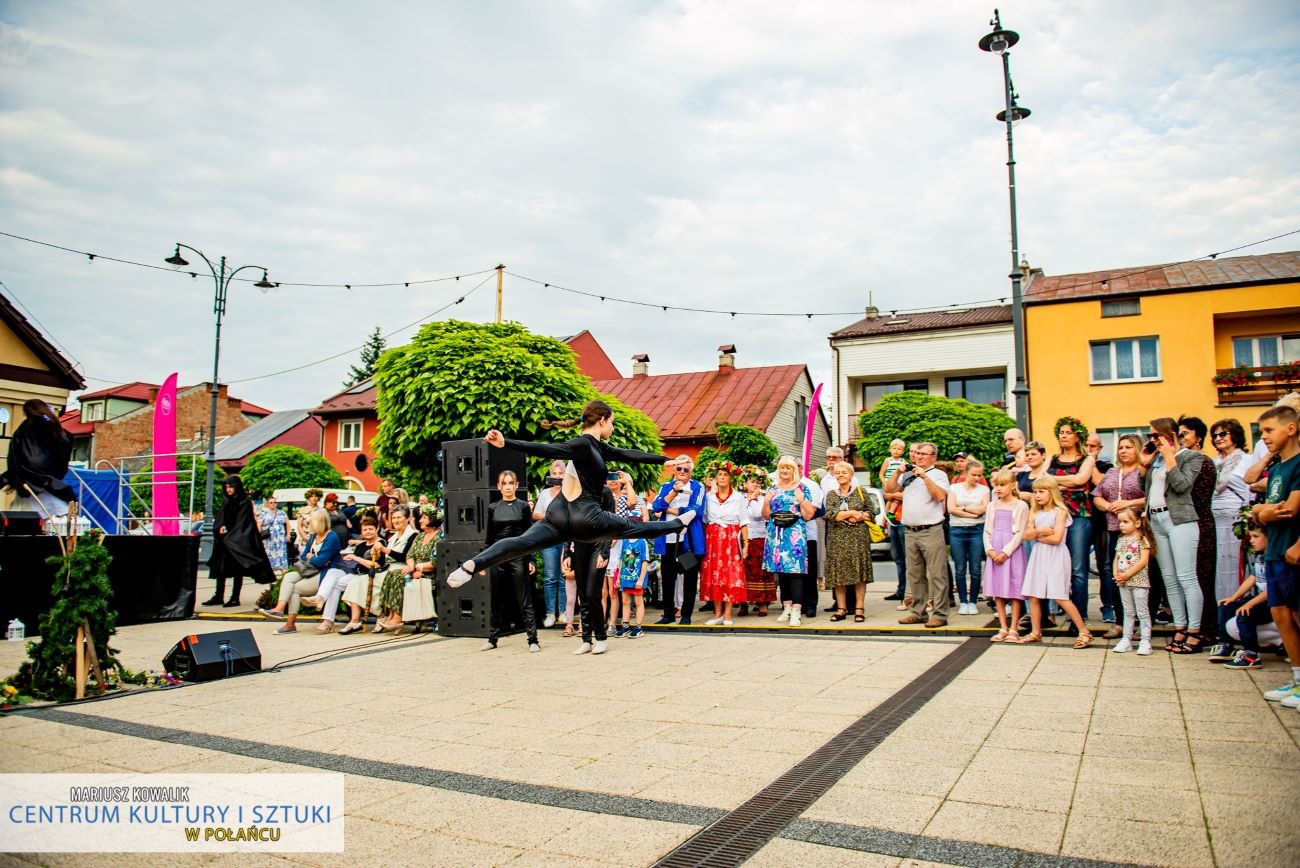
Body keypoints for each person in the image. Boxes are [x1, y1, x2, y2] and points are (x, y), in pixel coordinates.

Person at [443, 401, 693, 658]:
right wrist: (506, 443)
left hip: (559, 516)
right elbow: (546, 449)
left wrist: (667, 460)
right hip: (586, 516)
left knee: (521, 543)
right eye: (612, 422)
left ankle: (470, 566)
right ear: (602, 420)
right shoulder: (583, 444)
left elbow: (630, 454)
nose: (613, 427)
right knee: (633, 527)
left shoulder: (598, 447)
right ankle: (678, 524)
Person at [1140, 416, 1210, 653]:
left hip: (1179, 520)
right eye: (1150, 436)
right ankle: (1180, 627)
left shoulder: (1191, 457)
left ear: (1170, 435)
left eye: (1156, 435)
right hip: (1156, 520)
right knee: (1169, 579)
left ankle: (1194, 630)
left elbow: (1182, 486)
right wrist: (1145, 465)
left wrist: (1170, 457)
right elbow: (1146, 490)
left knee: (1186, 577)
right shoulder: (1157, 460)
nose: (1152, 440)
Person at [1252, 404, 1300, 708]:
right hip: (1274, 550)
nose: (1264, 437)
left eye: (1269, 430)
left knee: (1296, 614)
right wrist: (1262, 512)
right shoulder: (1277, 468)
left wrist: (1264, 512)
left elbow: (1290, 509)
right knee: (1281, 615)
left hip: (1292, 550)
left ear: (1291, 429)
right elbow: (1262, 511)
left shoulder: (1298, 465)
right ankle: (1297, 679)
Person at [1019, 477, 1092, 647]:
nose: (1037, 495)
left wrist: (1036, 536)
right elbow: (1026, 535)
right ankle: (1036, 632)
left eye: (1041, 491)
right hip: (1039, 555)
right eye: (1035, 492)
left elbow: (1057, 538)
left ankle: (1083, 631)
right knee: (1033, 595)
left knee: (1060, 596)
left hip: (1056, 556)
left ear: (1051, 493)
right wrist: (1041, 531)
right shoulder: (1034, 512)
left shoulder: (1060, 512)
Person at [886, 441, 951, 628]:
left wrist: (924, 477)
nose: (919, 456)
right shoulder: (908, 474)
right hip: (910, 530)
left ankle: (940, 614)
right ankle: (918, 612)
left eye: (924, 454)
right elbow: (890, 490)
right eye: (917, 453)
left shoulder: (938, 475)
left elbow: (940, 496)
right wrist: (897, 473)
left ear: (933, 457)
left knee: (937, 574)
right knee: (914, 574)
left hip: (931, 529)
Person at [1092, 434, 1147, 639]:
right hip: (1116, 529)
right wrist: (1108, 506)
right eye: (1121, 447)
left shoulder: (1143, 472)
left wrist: (1128, 504)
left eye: (1128, 447)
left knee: (1140, 575)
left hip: (1139, 531)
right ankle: (1120, 622)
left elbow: (1153, 496)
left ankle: (1143, 622)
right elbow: (1097, 496)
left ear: (1138, 449)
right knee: (1116, 573)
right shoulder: (1112, 472)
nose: (1123, 451)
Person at [258, 509, 346, 634]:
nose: (309, 525)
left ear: (319, 522)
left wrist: (313, 557)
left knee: (295, 589)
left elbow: (321, 561)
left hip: (325, 573)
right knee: (288, 577)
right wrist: (314, 558)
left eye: (311, 522)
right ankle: (279, 608)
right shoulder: (314, 536)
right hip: (309, 569)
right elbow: (304, 556)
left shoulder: (331, 537)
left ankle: (290, 624)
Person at [481, 469, 540, 653]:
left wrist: (531, 559)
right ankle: (492, 639)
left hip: (518, 555)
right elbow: (489, 538)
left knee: (524, 599)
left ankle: (533, 640)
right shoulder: (493, 508)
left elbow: (530, 535)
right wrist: (483, 561)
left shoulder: (523, 506)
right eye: (504, 483)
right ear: (499, 486)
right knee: (495, 599)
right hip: (497, 556)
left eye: (510, 483)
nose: (507, 487)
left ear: (516, 485)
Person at [1047, 418, 1098, 625]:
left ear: (1077, 436)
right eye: (1061, 432)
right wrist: (1069, 483)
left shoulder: (1086, 459)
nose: (1064, 436)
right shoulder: (1052, 458)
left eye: (1068, 432)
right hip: (1053, 517)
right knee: (1053, 565)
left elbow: (1080, 480)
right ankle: (1052, 611)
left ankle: (1079, 615)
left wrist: (1054, 482)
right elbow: (1041, 481)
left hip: (1078, 517)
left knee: (1078, 568)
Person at [652, 456, 707, 626]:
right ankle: (668, 614)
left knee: (689, 576)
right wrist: (673, 493)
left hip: (688, 540)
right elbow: (656, 507)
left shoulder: (697, 486)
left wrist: (669, 509)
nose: (682, 472)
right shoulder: (666, 486)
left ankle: (686, 615)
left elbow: (696, 509)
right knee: (668, 576)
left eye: (686, 469)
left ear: (691, 472)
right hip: (668, 539)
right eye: (679, 469)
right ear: (674, 470)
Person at [763, 456, 818, 626]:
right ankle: (786, 607)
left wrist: (801, 500)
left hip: (794, 534)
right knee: (781, 572)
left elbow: (809, 515)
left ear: (794, 470)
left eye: (788, 468)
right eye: (782, 467)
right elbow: (765, 515)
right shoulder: (772, 488)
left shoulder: (802, 488)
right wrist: (766, 500)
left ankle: (796, 610)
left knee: (795, 571)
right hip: (776, 533)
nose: (785, 470)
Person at [204, 475, 275, 607]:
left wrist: (231, 534)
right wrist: (220, 526)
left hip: (238, 542)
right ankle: (218, 596)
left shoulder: (244, 501)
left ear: (237, 487)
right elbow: (221, 517)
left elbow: (243, 523)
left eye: (231, 487)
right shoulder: (227, 501)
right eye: (226, 487)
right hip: (225, 541)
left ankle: (234, 598)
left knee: (238, 570)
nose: (228, 489)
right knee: (221, 569)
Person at [1210, 523, 1273, 668]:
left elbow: (1273, 589)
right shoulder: (1260, 556)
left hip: (1272, 601)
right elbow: (1253, 578)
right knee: (1226, 606)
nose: (1251, 541)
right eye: (1251, 536)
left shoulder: (1274, 558)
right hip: (1260, 598)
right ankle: (1225, 644)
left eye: (1256, 536)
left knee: (1246, 613)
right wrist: (1234, 597)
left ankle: (1251, 654)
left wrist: (1249, 604)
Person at [0, 399, 73, 517]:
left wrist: (12, 477)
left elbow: (16, 457)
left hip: (29, 483)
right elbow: (63, 456)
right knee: (54, 512)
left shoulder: (25, 430)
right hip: (48, 483)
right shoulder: (55, 428)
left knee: (26, 514)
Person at [823, 461, 874, 623]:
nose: (841, 475)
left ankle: (859, 608)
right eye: (838, 473)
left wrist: (860, 516)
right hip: (837, 539)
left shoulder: (861, 492)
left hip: (858, 538)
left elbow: (871, 513)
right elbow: (832, 514)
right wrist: (852, 513)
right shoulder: (831, 494)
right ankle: (841, 609)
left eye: (844, 472)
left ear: (851, 475)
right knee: (838, 574)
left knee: (859, 573)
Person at [701, 462, 748, 626]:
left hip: (731, 538)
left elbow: (744, 521)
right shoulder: (708, 497)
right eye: (719, 474)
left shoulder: (738, 497)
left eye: (725, 475)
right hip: (713, 539)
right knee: (714, 574)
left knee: (730, 575)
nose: (722, 477)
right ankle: (717, 613)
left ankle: (728, 613)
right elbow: (704, 520)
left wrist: (746, 544)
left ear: (731, 478)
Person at [983, 469, 1028, 642]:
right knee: (998, 589)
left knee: (1014, 588)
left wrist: (1006, 552)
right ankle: (1002, 627)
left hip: (1011, 550)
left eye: (1002, 485)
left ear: (1012, 486)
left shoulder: (1020, 505)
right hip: (995, 547)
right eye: (996, 485)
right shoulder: (992, 505)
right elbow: (987, 530)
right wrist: (990, 549)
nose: (998, 489)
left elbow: (1020, 532)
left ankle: (1013, 628)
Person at [1209, 419, 1251, 601]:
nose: (1218, 438)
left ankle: (1240, 601)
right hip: (1216, 518)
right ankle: (1223, 605)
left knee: (1237, 562)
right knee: (1220, 563)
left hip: (1237, 518)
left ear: (1235, 435)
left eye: (1223, 434)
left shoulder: (1247, 459)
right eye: (1215, 435)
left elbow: (1250, 489)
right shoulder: (1213, 463)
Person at [382, 508, 440, 633]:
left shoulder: (439, 537)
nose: (420, 521)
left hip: (429, 573)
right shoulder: (420, 536)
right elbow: (409, 555)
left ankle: (398, 617)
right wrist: (412, 569)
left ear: (433, 519)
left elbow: (434, 562)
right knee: (393, 574)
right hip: (415, 570)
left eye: (424, 518)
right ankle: (391, 614)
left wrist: (418, 568)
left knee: (400, 578)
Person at [1110, 507, 1154, 655]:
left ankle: (1145, 640)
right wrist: (1116, 573)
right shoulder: (1121, 540)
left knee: (1142, 612)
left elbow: (1143, 560)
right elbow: (1117, 558)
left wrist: (1127, 574)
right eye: (1120, 522)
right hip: (1123, 582)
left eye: (1125, 522)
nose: (1121, 525)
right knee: (1128, 611)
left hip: (1139, 582)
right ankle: (1126, 639)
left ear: (1137, 523)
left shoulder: (1142, 539)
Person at [948, 458, 989, 615]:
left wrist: (963, 508)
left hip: (976, 529)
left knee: (976, 568)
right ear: (966, 473)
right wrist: (972, 511)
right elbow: (951, 509)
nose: (977, 478)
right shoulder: (954, 488)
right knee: (960, 568)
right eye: (974, 475)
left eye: (979, 475)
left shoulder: (984, 490)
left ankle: (973, 601)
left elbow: (983, 509)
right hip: (957, 529)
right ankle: (963, 601)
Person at [1083, 434, 1116, 622]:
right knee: (1078, 567)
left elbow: (1101, 484)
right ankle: (1079, 608)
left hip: (1101, 522)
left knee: (1105, 565)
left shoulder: (1106, 467)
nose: (1089, 449)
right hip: (1080, 520)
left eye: (1093, 446)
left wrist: (1091, 462)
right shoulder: (1076, 465)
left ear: (1100, 448)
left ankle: (1108, 607)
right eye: (1086, 445)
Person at [338, 515, 388, 634]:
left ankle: (379, 616)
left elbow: (377, 565)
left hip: (378, 574)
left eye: (370, 529)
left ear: (377, 529)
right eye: (365, 529)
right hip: (363, 575)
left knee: (356, 583)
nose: (368, 532)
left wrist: (356, 558)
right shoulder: (360, 546)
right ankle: (355, 620)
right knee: (353, 583)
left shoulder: (380, 543)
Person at [372, 505, 419, 632]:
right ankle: (387, 615)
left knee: (394, 577)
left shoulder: (413, 535)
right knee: (365, 580)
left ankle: (394, 616)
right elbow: (385, 559)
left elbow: (405, 556)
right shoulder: (392, 537)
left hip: (404, 567)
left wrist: (385, 550)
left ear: (407, 518)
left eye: (399, 517)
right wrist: (378, 552)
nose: (396, 521)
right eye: (393, 518)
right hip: (389, 568)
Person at [534, 459, 568, 628]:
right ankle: (550, 613)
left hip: (565, 540)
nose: (557, 476)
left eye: (560, 473)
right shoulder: (545, 493)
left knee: (563, 577)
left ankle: (563, 611)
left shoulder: (570, 492)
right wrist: (550, 516)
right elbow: (535, 514)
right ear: (550, 475)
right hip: (548, 539)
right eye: (555, 473)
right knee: (550, 577)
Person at [880, 439, 909, 602]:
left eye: (900, 449)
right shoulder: (889, 463)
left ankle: (909, 591)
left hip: (904, 519)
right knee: (898, 558)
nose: (896, 451)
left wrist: (894, 494)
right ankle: (901, 589)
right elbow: (887, 493)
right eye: (894, 448)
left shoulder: (907, 472)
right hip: (894, 522)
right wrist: (889, 490)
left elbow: (904, 494)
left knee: (908, 558)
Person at [742, 470, 775, 616]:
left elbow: (757, 515)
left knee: (759, 571)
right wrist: (749, 500)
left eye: (758, 482)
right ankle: (743, 603)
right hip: (743, 538)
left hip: (759, 538)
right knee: (743, 571)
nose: (755, 484)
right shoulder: (740, 498)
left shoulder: (763, 499)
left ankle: (762, 602)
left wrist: (754, 499)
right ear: (745, 484)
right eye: (752, 482)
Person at [616, 536, 650, 638]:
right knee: (625, 602)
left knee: (638, 602)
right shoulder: (625, 541)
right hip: (625, 577)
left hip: (637, 578)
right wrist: (618, 577)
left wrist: (641, 579)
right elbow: (622, 560)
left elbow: (645, 561)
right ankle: (625, 626)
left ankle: (638, 627)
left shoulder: (642, 541)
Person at [256, 495, 290, 574]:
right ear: (268, 504)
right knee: (270, 557)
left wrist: (288, 535)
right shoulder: (264, 514)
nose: (273, 504)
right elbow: (259, 525)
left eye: (274, 502)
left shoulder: (281, 513)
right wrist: (258, 537)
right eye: (271, 502)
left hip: (280, 540)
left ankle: (284, 575)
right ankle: (271, 576)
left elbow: (288, 523)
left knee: (282, 557)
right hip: (269, 540)